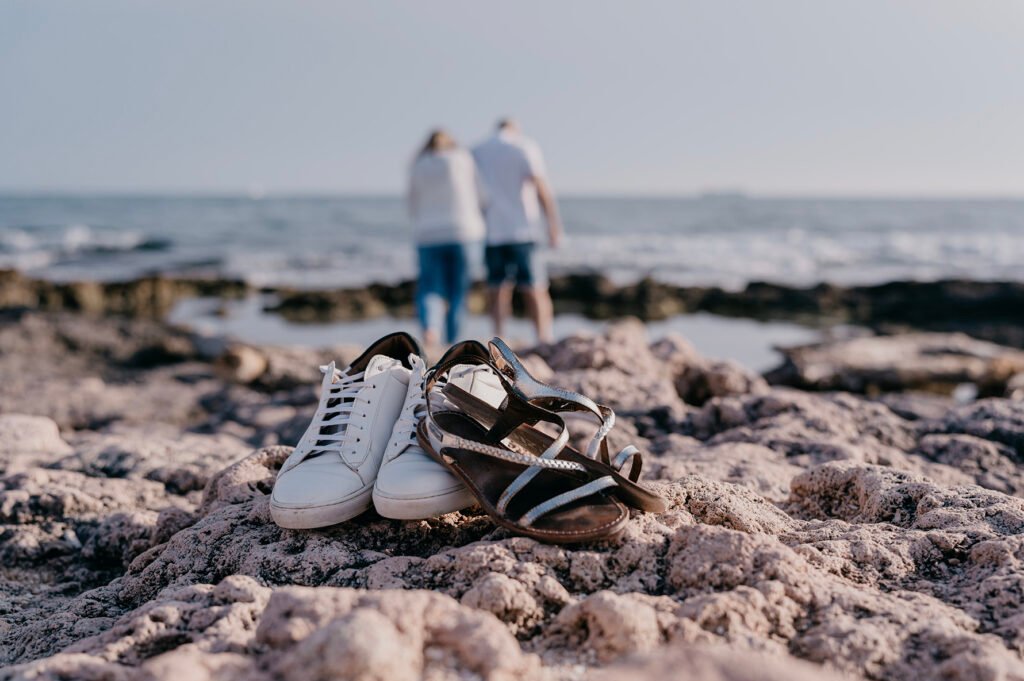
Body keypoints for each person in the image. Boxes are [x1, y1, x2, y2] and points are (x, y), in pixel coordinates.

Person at [472, 119, 561, 344]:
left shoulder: (478, 151)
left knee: (497, 289)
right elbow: (540, 186)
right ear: (515, 129)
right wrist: (553, 223)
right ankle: (543, 338)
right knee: (536, 288)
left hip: (492, 230)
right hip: (523, 229)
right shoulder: (524, 146)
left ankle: (499, 338)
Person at [407, 129, 487, 348]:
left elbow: (412, 203)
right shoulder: (462, 158)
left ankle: (431, 329)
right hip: (464, 231)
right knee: (458, 292)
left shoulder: (419, 163)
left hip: (428, 234)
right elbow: (481, 195)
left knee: (430, 288)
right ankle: (453, 342)